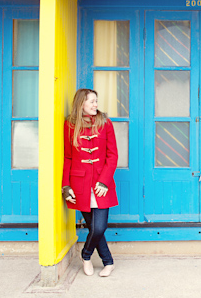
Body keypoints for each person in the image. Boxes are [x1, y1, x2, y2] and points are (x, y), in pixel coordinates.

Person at [62, 88, 119, 277]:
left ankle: (85, 255)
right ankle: (108, 263)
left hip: (102, 184)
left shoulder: (105, 123)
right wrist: (66, 185)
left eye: (96, 101)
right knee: (93, 228)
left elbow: (112, 156)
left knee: (99, 227)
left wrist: (104, 182)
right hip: (80, 184)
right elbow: (68, 158)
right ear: (81, 104)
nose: (96, 105)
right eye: (92, 101)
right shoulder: (70, 125)